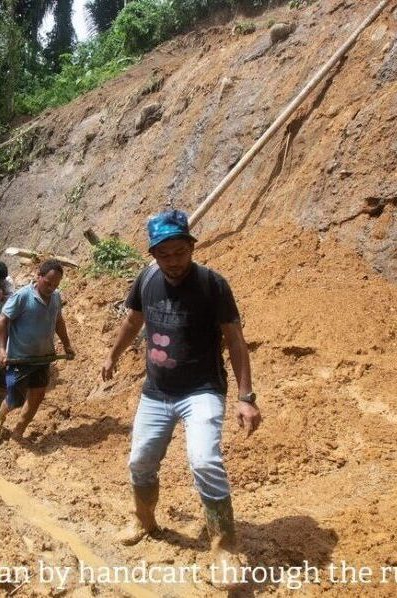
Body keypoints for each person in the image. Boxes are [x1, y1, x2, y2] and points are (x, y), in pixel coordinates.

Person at [101, 209, 262, 568]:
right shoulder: (146, 279)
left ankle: (224, 547)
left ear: (191, 246)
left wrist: (245, 397)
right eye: (164, 254)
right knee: (140, 461)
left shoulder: (212, 284)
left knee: (205, 460)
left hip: (201, 390)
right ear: (153, 254)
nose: (173, 262)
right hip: (156, 392)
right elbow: (132, 321)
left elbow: (235, 341)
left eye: (180, 252)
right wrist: (112, 355)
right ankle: (143, 518)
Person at [0, 259, 75, 441]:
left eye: (55, 284)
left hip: (43, 359)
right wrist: (2, 349)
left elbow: (59, 321)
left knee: (37, 395)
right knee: (14, 397)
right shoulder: (22, 296)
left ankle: (18, 431)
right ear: (38, 276)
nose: (51, 287)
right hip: (18, 360)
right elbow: (3, 319)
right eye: (48, 283)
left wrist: (66, 344)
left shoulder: (56, 297)